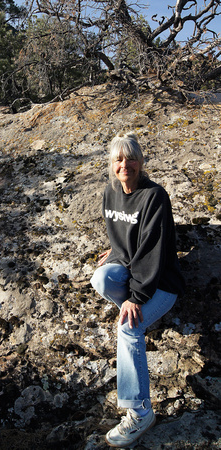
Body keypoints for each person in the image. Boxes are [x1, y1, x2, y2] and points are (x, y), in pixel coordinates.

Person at [90, 132, 185, 448]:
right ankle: (132, 310)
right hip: (134, 273)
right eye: (118, 159)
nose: (124, 164)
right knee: (100, 279)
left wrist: (135, 298)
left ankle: (140, 412)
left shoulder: (154, 196)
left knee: (129, 328)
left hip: (161, 284)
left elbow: (151, 250)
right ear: (112, 164)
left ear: (141, 161)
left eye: (130, 157)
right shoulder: (111, 193)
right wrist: (113, 252)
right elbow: (123, 238)